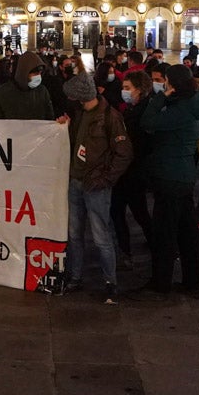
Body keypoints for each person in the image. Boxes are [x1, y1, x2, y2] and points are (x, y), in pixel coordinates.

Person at [131, 65, 199, 301]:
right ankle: (194, 281)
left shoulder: (182, 109)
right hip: (183, 173)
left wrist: (160, 98)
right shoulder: (195, 101)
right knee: (187, 231)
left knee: (165, 232)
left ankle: (161, 281)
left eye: (165, 81)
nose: (162, 85)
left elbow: (149, 121)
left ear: (173, 83)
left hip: (170, 174)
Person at [60, 72, 133, 305]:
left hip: (96, 186)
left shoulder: (110, 117)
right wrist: (66, 128)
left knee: (101, 236)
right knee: (74, 234)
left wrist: (105, 179)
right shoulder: (81, 114)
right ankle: (75, 276)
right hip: (76, 182)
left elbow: (124, 153)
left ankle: (110, 282)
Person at [110, 70, 154, 268]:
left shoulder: (143, 113)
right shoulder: (131, 109)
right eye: (123, 88)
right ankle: (126, 250)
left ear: (140, 90)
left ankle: (152, 247)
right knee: (122, 212)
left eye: (127, 88)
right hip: (127, 172)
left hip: (133, 172)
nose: (124, 91)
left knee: (137, 212)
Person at [0, 51, 54, 121]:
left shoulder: (42, 91)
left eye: (40, 73)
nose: (38, 76)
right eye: (34, 73)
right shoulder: (3, 93)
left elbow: (50, 118)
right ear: (23, 72)